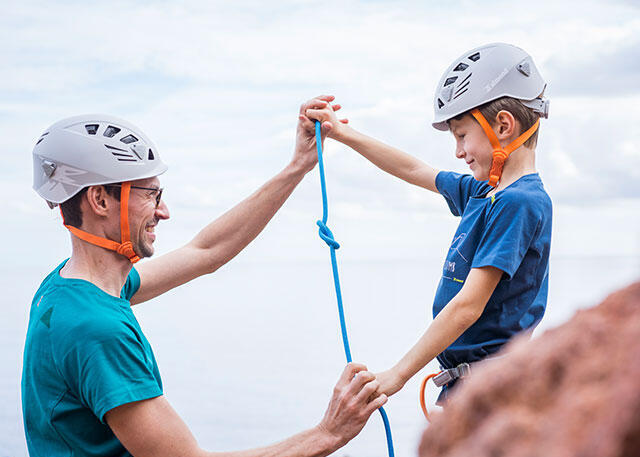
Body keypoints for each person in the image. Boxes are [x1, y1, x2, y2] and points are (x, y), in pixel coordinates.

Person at [22, 96, 387, 457]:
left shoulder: (67, 289)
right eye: (151, 194)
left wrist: (298, 167)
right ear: (100, 200)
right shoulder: (96, 329)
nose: (163, 211)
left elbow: (206, 252)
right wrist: (328, 434)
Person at [304, 43, 552, 404]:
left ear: (503, 125)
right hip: (466, 385)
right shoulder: (484, 192)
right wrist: (344, 134)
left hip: (491, 391)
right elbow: (415, 169)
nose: (458, 151)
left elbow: (468, 306)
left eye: (462, 135)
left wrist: (398, 374)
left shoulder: (519, 202)